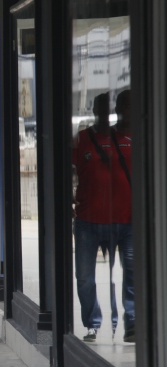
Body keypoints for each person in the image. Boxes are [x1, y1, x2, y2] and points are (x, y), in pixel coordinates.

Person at [72, 90, 134, 343]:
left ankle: (132, 323)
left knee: (132, 274)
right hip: (88, 222)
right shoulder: (83, 140)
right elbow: (66, 170)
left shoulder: (135, 138)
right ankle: (93, 323)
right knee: (85, 277)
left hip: (128, 222)